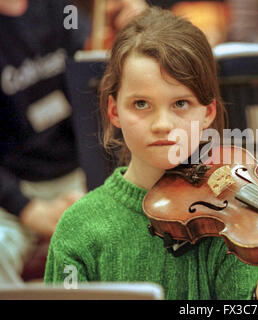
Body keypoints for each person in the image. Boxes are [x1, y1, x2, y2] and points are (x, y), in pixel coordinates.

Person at [44, 6, 258, 300]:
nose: (163, 125)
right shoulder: (78, 228)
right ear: (114, 111)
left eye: (180, 104)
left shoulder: (231, 226)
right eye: (141, 104)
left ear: (208, 113)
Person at [0, 0, 146, 284]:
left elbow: (97, 86)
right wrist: (27, 208)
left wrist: (139, 31)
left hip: (80, 174)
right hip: (10, 194)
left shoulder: (60, 10)